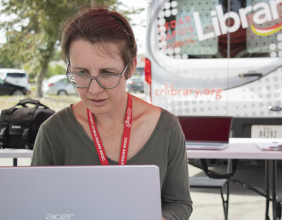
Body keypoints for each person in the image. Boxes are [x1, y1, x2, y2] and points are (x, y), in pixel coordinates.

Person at [31, 6, 192, 220]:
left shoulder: (165, 127)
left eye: (107, 73)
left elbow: (178, 203)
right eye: (81, 73)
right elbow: (34, 207)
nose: (94, 89)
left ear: (131, 67)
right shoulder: (53, 132)